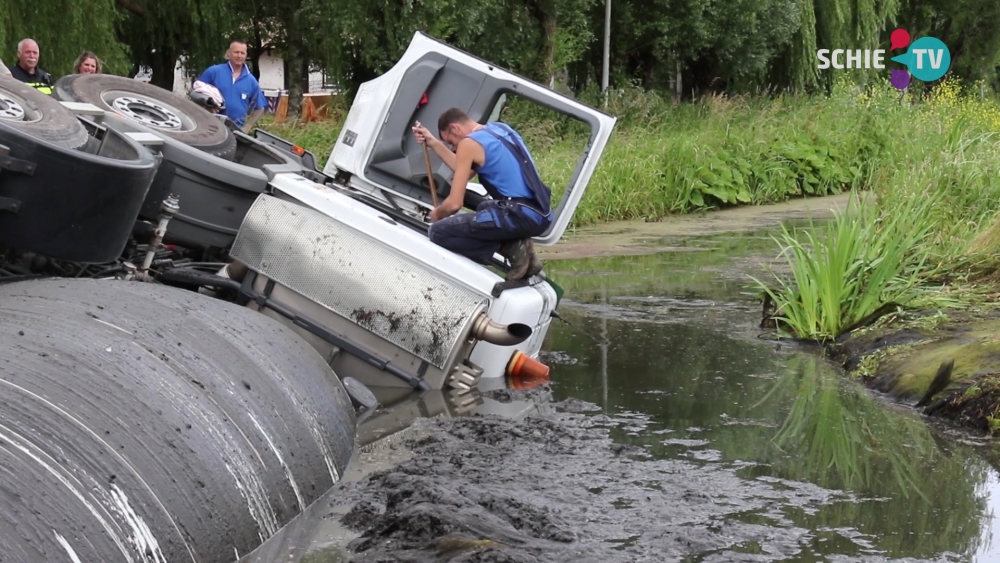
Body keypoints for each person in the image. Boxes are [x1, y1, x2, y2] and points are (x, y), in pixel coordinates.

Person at [412, 108, 551, 281]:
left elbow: (455, 204)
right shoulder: (500, 129)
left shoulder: (468, 144)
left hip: (517, 214)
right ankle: (523, 251)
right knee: (485, 207)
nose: (455, 148)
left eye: (451, 143)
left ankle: (513, 247)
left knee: (438, 232)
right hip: (539, 214)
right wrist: (432, 142)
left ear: (455, 128)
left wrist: (438, 213)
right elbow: (462, 166)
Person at [196, 39, 266, 132]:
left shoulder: (251, 81)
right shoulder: (213, 72)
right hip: (209, 126)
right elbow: (194, 93)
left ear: (246, 55)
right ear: (228, 53)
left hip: (235, 131)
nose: (239, 56)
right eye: (236, 52)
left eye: (242, 53)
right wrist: (206, 105)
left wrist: (248, 126)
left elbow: (260, 108)